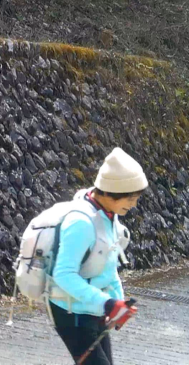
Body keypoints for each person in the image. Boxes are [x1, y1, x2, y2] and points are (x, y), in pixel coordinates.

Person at [50, 147, 146, 365]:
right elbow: (63, 275)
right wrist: (108, 304)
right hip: (71, 312)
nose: (134, 205)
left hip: (94, 307)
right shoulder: (81, 223)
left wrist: (117, 303)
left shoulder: (107, 215)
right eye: (130, 199)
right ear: (112, 192)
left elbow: (107, 265)